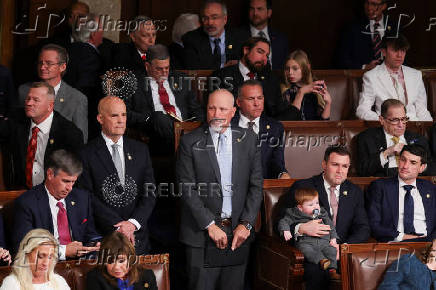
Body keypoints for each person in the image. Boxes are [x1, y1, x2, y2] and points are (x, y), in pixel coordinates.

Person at [176, 89, 263, 290]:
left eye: (222, 109)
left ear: (233, 111)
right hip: (201, 235)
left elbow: (256, 186)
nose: (216, 114)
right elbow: (187, 188)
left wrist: (247, 224)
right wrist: (210, 225)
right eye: (211, 108)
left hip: (238, 235)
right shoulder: (190, 142)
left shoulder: (248, 139)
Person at [280, 145, 370, 290]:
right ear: (324, 164)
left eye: (345, 166)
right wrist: (300, 228)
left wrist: (343, 248)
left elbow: (363, 228)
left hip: (343, 251)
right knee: (319, 271)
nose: (340, 171)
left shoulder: (354, 192)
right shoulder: (303, 186)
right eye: (335, 165)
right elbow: (281, 219)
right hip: (312, 251)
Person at [77, 96, 156, 255]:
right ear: (100, 118)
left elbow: (149, 193)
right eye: (114, 115)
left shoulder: (141, 150)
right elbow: (87, 197)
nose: (121, 120)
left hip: (137, 236)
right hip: (104, 237)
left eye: (124, 115)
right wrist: (118, 226)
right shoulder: (86, 154)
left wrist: (132, 224)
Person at [13, 149, 101, 259]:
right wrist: (63, 252)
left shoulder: (82, 199)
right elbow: (24, 247)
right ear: (50, 174)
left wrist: (95, 244)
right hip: (44, 267)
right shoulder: (27, 203)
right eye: (65, 181)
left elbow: (90, 234)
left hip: (79, 264)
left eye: (73, 182)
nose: (70, 188)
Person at [0, 82, 83, 189]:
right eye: (28, 99)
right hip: (19, 193)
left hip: (52, 194)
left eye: (36, 100)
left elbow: (74, 174)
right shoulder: (15, 121)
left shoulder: (69, 133)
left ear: (50, 105)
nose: (29, 103)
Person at [128, 44, 204, 154]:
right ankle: (186, 149)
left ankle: (185, 146)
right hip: (155, 133)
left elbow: (196, 110)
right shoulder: (133, 82)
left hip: (184, 128)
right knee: (159, 116)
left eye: (167, 68)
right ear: (147, 66)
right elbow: (126, 113)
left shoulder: (181, 79)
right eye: (159, 69)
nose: (164, 72)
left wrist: (198, 125)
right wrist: (150, 118)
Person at [18, 44, 88, 142]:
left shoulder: (77, 99)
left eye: (49, 63)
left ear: (62, 67)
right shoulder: (24, 91)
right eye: (40, 63)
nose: (42, 67)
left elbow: (81, 139)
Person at [367, 144, 436, 242]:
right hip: (396, 243)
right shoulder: (380, 187)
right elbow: (373, 224)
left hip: (428, 244)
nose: (405, 166)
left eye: (413, 163)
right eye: (403, 160)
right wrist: (402, 237)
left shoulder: (430, 188)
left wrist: (432, 241)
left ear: (422, 167)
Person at [356, 34, 433, 121]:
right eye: (395, 50)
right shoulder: (371, 76)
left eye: (403, 50)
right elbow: (362, 110)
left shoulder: (416, 75)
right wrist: (386, 121)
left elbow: (422, 111)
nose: (400, 55)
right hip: (388, 127)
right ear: (384, 52)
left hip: (413, 126)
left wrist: (428, 129)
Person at [231, 80, 289, 179]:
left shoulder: (275, 128)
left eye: (260, 98)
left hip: (263, 186)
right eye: (251, 99)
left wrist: (282, 174)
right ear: (239, 102)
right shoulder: (227, 125)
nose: (257, 103)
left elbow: (276, 162)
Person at [357, 99, 431, 177]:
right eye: (395, 120)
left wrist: (416, 165)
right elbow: (363, 170)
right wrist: (386, 153)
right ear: (382, 120)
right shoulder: (368, 138)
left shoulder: (418, 139)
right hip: (384, 181)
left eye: (403, 119)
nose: (401, 125)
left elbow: (431, 167)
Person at [211, 36, 282, 117]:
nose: (264, 59)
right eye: (260, 52)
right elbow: (216, 111)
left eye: (267, 55)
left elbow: (279, 112)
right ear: (246, 50)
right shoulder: (221, 76)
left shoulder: (271, 79)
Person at [278, 188, 340, 279]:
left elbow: (330, 226)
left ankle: (332, 271)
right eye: (311, 205)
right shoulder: (294, 214)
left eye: (317, 203)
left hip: (324, 241)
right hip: (306, 243)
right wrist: (285, 230)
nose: (316, 207)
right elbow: (283, 221)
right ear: (300, 208)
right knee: (307, 251)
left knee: (332, 251)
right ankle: (322, 260)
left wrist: (333, 239)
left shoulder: (322, 213)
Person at [182, 0, 244, 70]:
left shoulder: (239, 37)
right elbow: (193, 69)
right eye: (205, 18)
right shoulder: (191, 39)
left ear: (225, 19)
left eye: (214, 17)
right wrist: (223, 68)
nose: (210, 23)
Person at [0, 229, 70, 290]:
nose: (46, 263)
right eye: (40, 256)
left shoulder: (59, 281)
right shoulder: (12, 283)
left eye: (50, 257)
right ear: (26, 254)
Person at [86, 231, 157, 290]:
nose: (116, 267)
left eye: (121, 261)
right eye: (110, 261)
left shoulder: (147, 275)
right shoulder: (95, 278)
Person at [276, 50, 332, 120]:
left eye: (295, 68)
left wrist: (328, 103)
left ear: (306, 67)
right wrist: (301, 92)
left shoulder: (316, 87)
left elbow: (323, 123)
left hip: (314, 130)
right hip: (293, 130)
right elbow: (288, 120)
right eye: (287, 69)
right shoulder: (284, 90)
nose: (290, 72)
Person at [335, 0, 391, 69]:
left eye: (374, 4)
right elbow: (341, 60)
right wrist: (365, 67)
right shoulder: (352, 28)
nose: (369, 8)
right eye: (367, 3)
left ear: (383, 6)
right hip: (361, 76)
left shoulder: (394, 27)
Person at [237, 0, 289, 70]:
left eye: (259, 9)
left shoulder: (281, 39)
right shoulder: (236, 35)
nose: (255, 13)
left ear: (269, 13)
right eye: (252, 9)